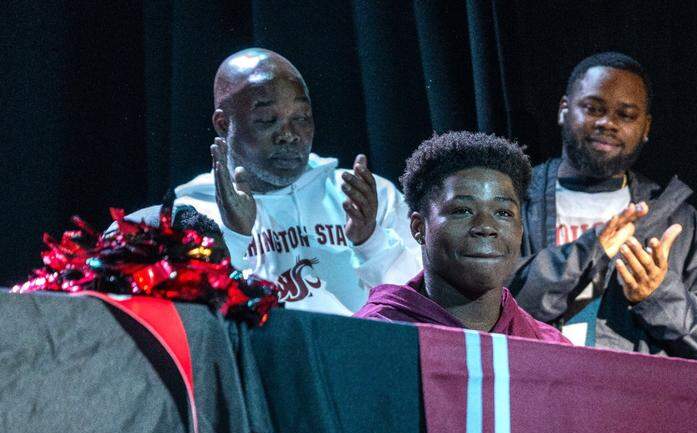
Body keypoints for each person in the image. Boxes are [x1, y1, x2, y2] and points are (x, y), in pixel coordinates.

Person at [126, 48, 419, 315]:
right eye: (267, 120)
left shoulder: (362, 194)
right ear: (223, 124)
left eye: (302, 117)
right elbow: (198, 325)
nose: (289, 134)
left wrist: (372, 241)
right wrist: (235, 238)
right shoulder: (191, 215)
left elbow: (428, 307)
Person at [509, 51, 697, 362]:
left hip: (633, 402)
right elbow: (482, 303)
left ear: (646, 127)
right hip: (534, 393)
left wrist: (657, 295)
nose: (607, 123)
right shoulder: (513, 203)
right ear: (564, 109)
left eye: (626, 115)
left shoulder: (677, 222)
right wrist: (587, 252)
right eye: (593, 108)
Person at [354, 131, 570, 344]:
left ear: (520, 229)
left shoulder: (551, 348)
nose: (486, 227)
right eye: (462, 210)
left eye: (503, 213)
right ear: (418, 227)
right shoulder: (371, 338)